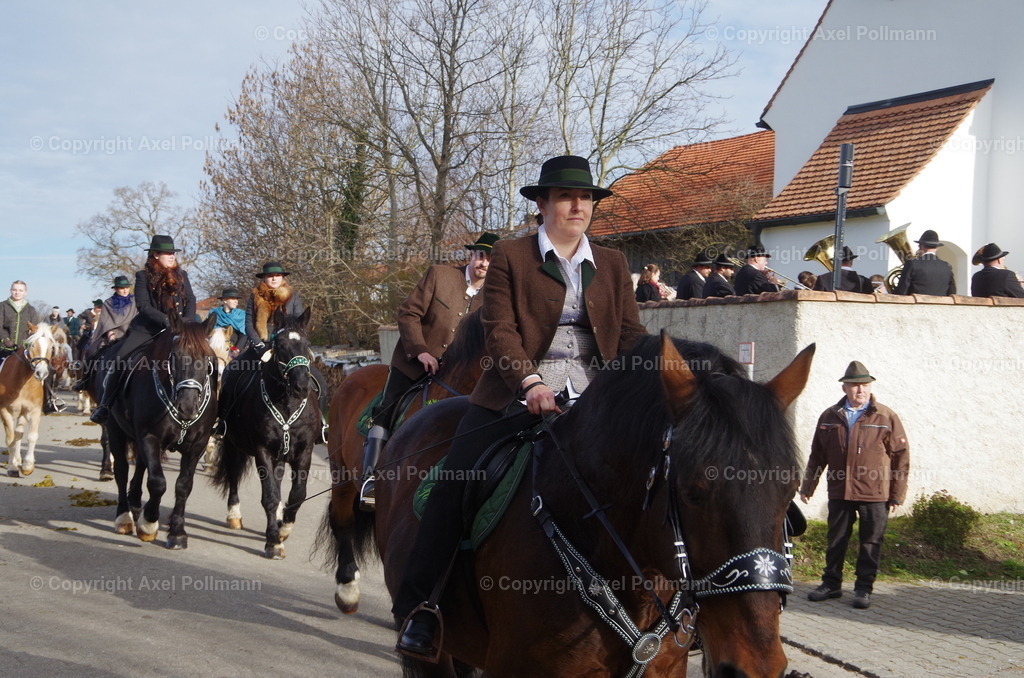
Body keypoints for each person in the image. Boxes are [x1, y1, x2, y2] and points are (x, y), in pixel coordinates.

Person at [393, 155, 646, 658]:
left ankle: (693, 607)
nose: (579, 206)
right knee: (456, 483)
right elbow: (501, 330)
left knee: (663, 478)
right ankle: (420, 608)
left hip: (598, 399)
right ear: (543, 204)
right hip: (514, 392)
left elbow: (632, 335)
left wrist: (642, 384)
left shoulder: (613, 263)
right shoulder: (511, 255)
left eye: (587, 198)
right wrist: (530, 382)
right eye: (567, 197)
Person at [359, 232, 498, 510]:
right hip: (413, 362)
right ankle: (370, 479)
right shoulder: (440, 275)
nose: (484, 263)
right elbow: (408, 314)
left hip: (455, 373)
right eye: (481, 255)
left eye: (490, 258)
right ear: (471, 255)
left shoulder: (493, 297)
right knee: (387, 408)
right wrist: (421, 350)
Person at [799, 361, 909, 610]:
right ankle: (831, 584)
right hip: (840, 490)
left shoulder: (885, 416)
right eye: (855, 386)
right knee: (836, 540)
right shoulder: (829, 416)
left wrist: (896, 495)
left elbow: (901, 458)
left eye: (865, 385)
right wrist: (808, 486)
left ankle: (863, 589)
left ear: (870, 387)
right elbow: (817, 455)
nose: (860, 390)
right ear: (844, 388)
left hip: (874, 492)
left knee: (871, 542)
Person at [90, 236, 197, 424]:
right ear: (155, 255)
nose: (172, 256)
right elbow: (143, 306)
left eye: (173, 253)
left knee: (207, 356)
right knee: (119, 358)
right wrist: (167, 321)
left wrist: (185, 323)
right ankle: (105, 405)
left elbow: (191, 300)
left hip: (181, 328)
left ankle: (215, 411)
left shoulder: (183, 275)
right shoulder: (143, 276)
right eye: (167, 253)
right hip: (149, 328)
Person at [228, 261, 329, 434]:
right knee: (232, 372)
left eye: (277, 275)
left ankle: (321, 424)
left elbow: (300, 322)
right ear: (264, 278)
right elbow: (248, 325)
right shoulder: (255, 296)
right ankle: (224, 421)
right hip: (262, 346)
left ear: (282, 278)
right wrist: (259, 346)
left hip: (288, 348)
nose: (274, 278)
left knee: (320, 382)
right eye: (270, 276)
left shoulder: (293, 296)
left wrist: (298, 341)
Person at [73, 276, 138, 390]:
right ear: (116, 289)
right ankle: (84, 380)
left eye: (127, 288)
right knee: (91, 353)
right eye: (122, 288)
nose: (125, 291)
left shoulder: (135, 301)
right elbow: (105, 322)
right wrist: (110, 334)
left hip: (132, 335)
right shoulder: (108, 303)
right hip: (113, 336)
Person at [894, 229, 956, 296]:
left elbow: (901, 291)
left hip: (916, 305)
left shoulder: (912, 264)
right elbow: (952, 292)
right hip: (940, 305)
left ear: (920, 246)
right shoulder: (947, 266)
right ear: (937, 247)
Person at [0, 281, 39, 357]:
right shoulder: (2, 306)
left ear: (25, 292)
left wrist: (26, 343)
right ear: (11, 290)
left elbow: (34, 329)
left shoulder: (31, 310)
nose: (17, 293)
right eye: (14, 290)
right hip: (3, 348)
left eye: (20, 290)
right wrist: (5, 340)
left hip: (23, 351)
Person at [209, 287, 249, 355]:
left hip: (237, 350)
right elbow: (209, 332)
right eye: (233, 299)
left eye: (237, 299)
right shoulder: (214, 313)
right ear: (224, 300)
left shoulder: (241, 315)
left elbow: (244, 334)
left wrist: (236, 350)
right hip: (217, 349)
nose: (236, 301)